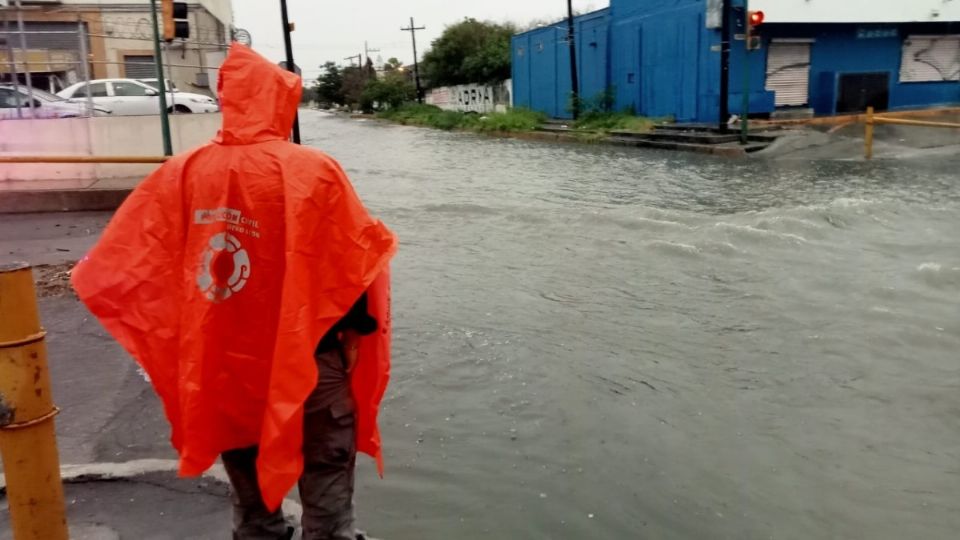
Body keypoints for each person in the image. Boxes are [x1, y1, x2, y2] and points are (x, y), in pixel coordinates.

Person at [71, 43, 397, 540]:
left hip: (223, 368)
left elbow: (128, 264)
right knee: (327, 486)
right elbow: (352, 259)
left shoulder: (181, 174)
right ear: (279, 101)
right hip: (311, 362)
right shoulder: (313, 170)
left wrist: (178, 336)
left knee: (249, 494)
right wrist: (355, 334)